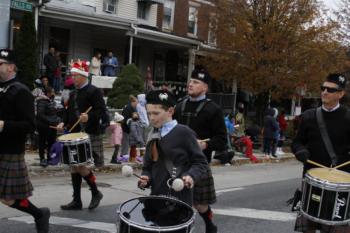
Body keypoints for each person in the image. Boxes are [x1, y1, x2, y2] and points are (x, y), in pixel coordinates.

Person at [292, 73, 350, 233]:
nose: (325, 92)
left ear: (341, 94)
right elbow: (297, 142)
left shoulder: (348, 117)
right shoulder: (309, 116)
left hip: (340, 182)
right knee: (308, 228)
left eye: (330, 90)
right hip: (312, 177)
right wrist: (300, 151)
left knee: (337, 229)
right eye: (323, 88)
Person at [0, 49, 50, 233]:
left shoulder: (21, 92)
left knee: (8, 199)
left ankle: (39, 214)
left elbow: (30, 126)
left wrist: (4, 125)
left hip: (10, 151)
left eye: (0, 63)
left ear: (11, 67)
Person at [174, 67, 226, 233]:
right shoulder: (179, 106)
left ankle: (210, 225)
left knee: (200, 204)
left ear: (205, 87)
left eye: (196, 82)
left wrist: (205, 145)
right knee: (176, 199)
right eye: (190, 81)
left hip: (198, 162)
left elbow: (222, 140)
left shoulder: (214, 110)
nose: (191, 84)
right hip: (177, 161)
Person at [138, 89, 208, 205]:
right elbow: (148, 166)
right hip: (156, 196)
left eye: (156, 113)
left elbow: (200, 162)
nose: (151, 118)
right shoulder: (151, 133)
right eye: (149, 113)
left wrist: (190, 176)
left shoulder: (184, 132)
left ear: (170, 111)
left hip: (180, 198)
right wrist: (145, 178)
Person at [57, 60, 104, 210]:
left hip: (88, 132)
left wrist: (89, 117)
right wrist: (63, 123)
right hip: (73, 133)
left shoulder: (94, 91)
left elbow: (100, 111)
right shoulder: (72, 93)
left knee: (81, 166)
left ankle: (96, 192)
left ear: (83, 75)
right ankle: (77, 200)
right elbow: (67, 112)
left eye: (75, 75)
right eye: (72, 75)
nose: (73, 78)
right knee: (73, 166)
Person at [35, 86, 60, 167]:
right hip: (43, 126)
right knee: (42, 142)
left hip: (52, 126)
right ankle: (42, 159)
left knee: (51, 142)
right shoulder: (42, 101)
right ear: (48, 93)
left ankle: (50, 158)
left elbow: (54, 112)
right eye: (52, 92)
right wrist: (50, 121)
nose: (53, 93)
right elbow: (40, 114)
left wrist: (57, 119)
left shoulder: (51, 101)